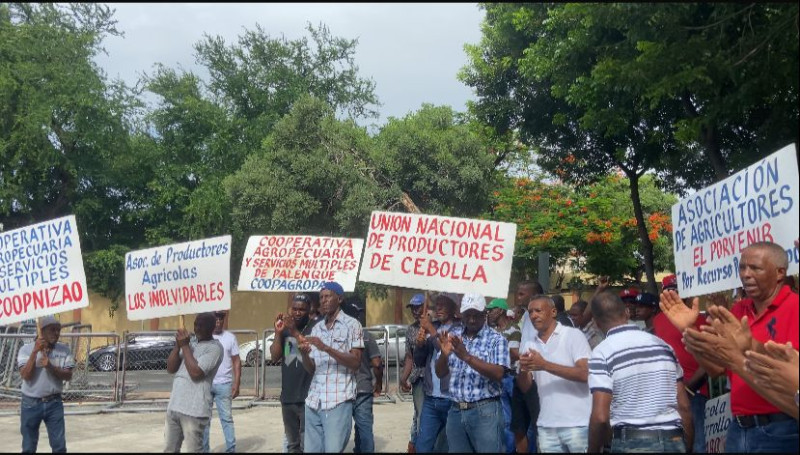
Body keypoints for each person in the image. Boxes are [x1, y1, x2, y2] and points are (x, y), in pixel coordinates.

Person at [661, 241, 799, 452]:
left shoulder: (795, 307)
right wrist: (689, 331)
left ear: (780, 272)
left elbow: (788, 368)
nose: (745, 274)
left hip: (781, 429)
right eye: (742, 267)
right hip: (738, 427)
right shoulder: (738, 309)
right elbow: (716, 369)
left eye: (755, 268)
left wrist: (747, 348)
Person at [587, 292, 693, 453]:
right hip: (673, 439)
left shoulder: (602, 353)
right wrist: (688, 446)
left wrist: (592, 450)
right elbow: (684, 406)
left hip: (631, 442)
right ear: (627, 313)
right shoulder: (663, 346)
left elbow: (601, 417)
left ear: (595, 322)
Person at [435, 293, 509, 453]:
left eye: (476, 315)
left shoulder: (496, 339)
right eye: (468, 315)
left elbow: (499, 373)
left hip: (485, 411)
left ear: (485, 314)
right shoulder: (453, 337)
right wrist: (444, 355)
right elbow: (440, 373)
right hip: (455, 410)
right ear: (461, 315)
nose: (472, 320)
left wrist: (467, 357)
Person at [517, 295, 592, 453]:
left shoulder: (573, 336)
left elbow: (585, 374)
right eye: (530, 312)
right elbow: (525, 387)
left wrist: (544, 365)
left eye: (538, 310)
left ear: (553, 312)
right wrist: (523, 370)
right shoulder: (529, 344)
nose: (533, 315)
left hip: (577, 424)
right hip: (547, 426)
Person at [299, 281, 364, 453]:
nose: (323, 300)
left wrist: (326, 348)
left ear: (340, 298)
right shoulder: (317, 328)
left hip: (338, 401)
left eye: (328, 296)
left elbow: (356, 362)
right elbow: (311, 369)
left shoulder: (352, 325)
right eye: (321, 297)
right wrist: (305, 354)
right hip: (314, 401)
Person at [652, 273, 708, 454]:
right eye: (669, 290)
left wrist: (689, 388)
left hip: (696, 392)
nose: (673, 295)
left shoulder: (701, 318)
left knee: (699, 443)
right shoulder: (658, 320)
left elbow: (710, 359)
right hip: (666, 393)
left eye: (677, 290)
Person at [165, 312, 224, 453]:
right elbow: (170, 368)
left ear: (211, 327)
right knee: (169, 450)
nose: (196, 328)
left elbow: (196, 373)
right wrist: (177, 346)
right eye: (195, 324)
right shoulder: (190, 342)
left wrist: (185, 346)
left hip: (194, 410)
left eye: (201, 325)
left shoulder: (215, 348)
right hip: (175, 406)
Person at [17, 315, 75, 453]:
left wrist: (50, 366)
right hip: (30, 403)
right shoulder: (25, 350)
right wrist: (34, 352)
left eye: (58, 330)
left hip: (54, 403)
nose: (56, 333)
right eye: (52, 330)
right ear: (41, 331)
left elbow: (68, 375)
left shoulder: (64, 350)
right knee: (28, 447)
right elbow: (25, 375)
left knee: (59, 446)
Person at [412, 292, 461, 453]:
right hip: (431, 398)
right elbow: (419, 361)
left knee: (447, 446)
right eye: (437, 305)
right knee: (423, 446)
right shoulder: (435, 327)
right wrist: (420, 344)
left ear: (453, 308)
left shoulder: (459, 329)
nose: (438, 308)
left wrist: (431, 330)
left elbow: (447, 351)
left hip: (451, 399)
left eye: (443, 304)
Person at [271, 293, 315, 453]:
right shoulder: (285, 330)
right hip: (288, 397)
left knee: (307, 444)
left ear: (309, 310)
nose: (297, 312)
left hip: (308, 397)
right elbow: (275, 357)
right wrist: (278, 332)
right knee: (292, 445)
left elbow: (306, 344)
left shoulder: (314, 327)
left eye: (301, 310)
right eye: (295, 309)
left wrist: (293, 330)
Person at [341, 296, 383, 454]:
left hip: (342, 388)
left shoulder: (336, 335)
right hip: (363, 388)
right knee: (364, 427)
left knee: (339, 430)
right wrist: (378, 384)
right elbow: (377, 363)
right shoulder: (366, 336)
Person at [201, 311, 241, 453]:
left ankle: (231, 449)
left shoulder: (230, 338)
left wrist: (237, 384)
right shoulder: (204, 337)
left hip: (224, 385)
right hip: (206, 384)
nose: (218, 322)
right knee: (204, 421)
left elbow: (236, 361)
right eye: (215, 320)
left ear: (223, 321)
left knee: (227, 419)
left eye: (220, 320)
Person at [486, 298, 519, 453]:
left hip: (509, 378)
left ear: (500, 311)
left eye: (491, 310)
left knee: (510, 420)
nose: (488, 313)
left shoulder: (514, 330)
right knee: (500, 419)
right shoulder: (490, 331)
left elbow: (513, 355)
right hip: (495, 378)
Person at [515, 280, 543, 453]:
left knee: (537, 429)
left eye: (521, 294)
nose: (517, 296)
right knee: (519, 428)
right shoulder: (525, 316)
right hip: (522, 378)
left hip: (536, 383)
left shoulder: (541, 318)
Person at [399, 293, 427, 453]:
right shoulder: (410, 330)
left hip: (435, 378)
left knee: (426, 416)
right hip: (418, 378)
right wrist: (404, 379)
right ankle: (415, 445)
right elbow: (409, 357)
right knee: (420, 414)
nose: (415, 311)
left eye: (418, 307)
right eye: (413, 309)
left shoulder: (435, 325)